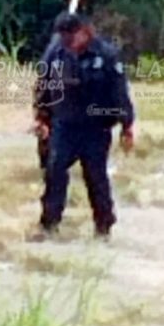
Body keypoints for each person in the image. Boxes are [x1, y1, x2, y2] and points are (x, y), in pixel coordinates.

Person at [33, 12, 134, 240]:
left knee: (95, 176)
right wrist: (41, 116)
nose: (68, 41)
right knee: (54, 171)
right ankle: (49, 224)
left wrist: (127, 125)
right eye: (64, 36)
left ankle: (103, 225)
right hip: (64, 125)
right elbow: (43, 86)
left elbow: (119, 92)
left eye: (72, 35)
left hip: (95, 128)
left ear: (85, 31)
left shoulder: (106, 55)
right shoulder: (56, 53)